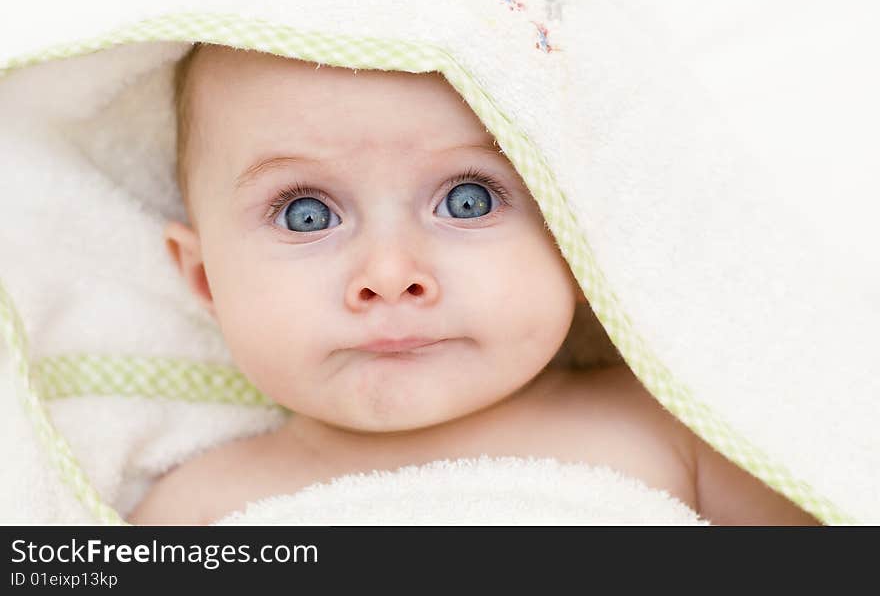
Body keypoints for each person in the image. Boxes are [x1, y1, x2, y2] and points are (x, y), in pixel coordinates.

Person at [128, 43, 818, 525]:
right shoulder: (196, 506)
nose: (391, 275)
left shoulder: (677, 432)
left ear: (583, 244)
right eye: (307, 214)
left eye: (469, 200)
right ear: (206, 279)